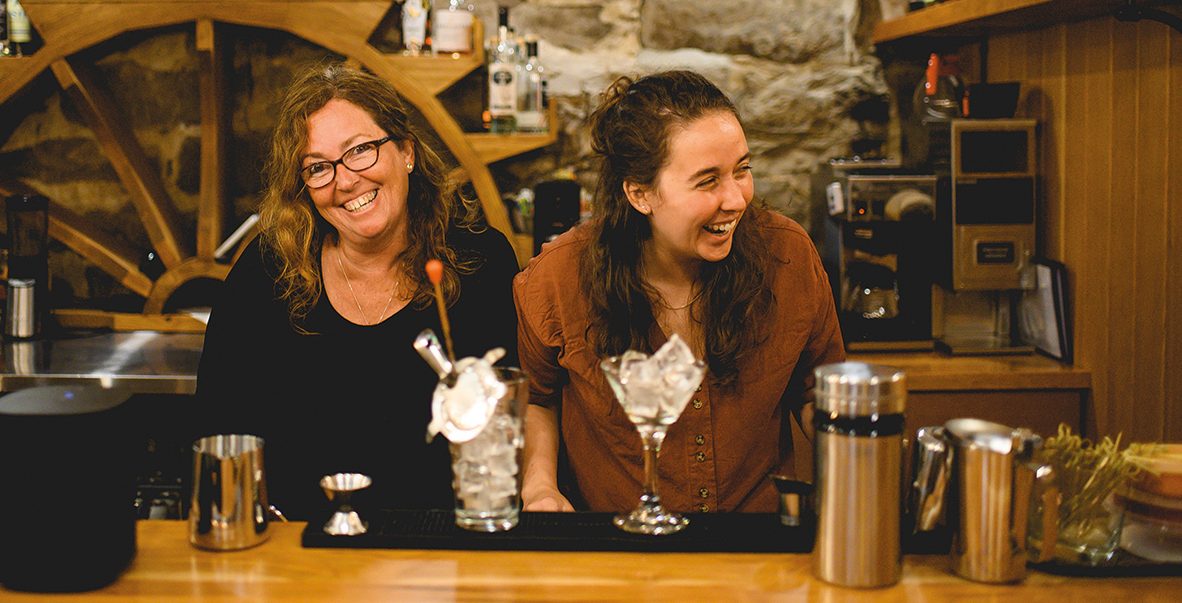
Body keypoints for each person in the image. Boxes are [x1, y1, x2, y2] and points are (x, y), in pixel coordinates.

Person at [515, 71, 845, 515]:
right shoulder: (559, 277)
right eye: (708, 181)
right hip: (616, 545)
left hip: (755, 549)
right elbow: (539, 398)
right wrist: (539, 488)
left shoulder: (787, 258)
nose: (736, 199)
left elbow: (816, 393)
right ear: (639, 193)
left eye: (742, 170)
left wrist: (857, 464)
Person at [194, 65, 518, 517]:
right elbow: (219, 429)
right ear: (304, 188)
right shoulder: (266, 273)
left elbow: (519, 413)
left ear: (406, 151)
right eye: (318, 168)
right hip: (301, 561)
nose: (345, 181)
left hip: (443, 558)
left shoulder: (481, 263)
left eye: (361, 150)